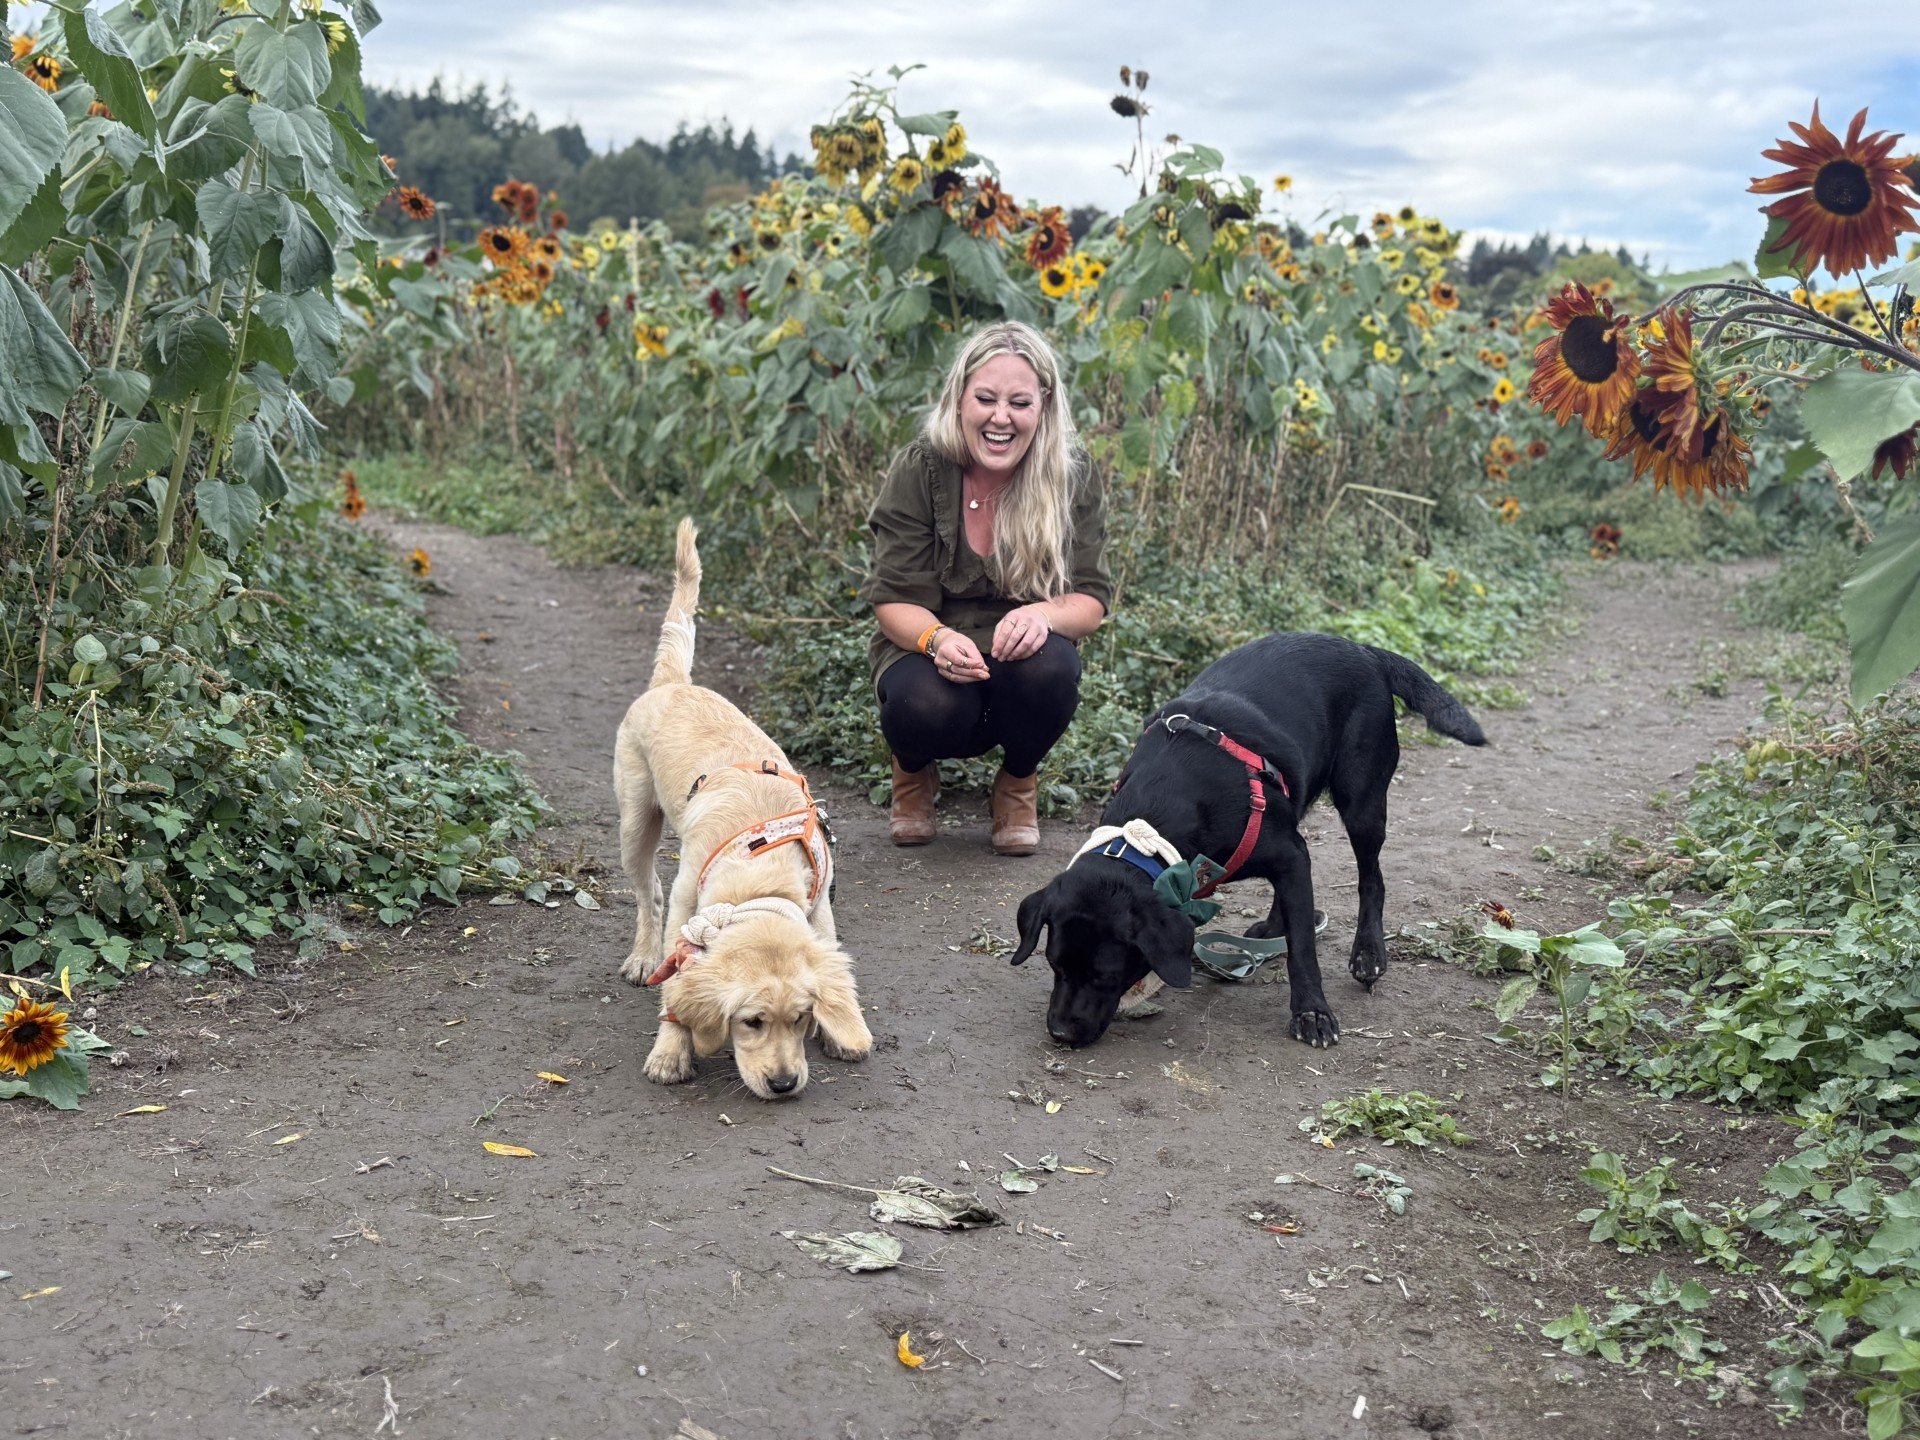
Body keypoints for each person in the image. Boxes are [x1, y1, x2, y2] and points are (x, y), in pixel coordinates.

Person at [861, 320, 1111, 855]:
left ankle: (1018, 781)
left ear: (1043, 405)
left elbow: (1091, 599)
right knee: (918, 701)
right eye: (986, 399)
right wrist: (935, 639)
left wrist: (1044, 615)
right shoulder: (921, 467)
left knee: (1054, 668)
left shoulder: (1070, 475)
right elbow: (893, 598)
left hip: (1016, 657)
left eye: (1019, 402)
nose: (1001, 418)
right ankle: (912, 772)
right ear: (959, 400)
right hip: (923, 646)